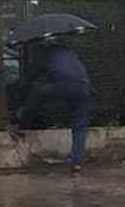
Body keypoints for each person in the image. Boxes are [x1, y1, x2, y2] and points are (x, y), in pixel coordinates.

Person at [15, 41, 93, 173]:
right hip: (84, 87)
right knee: (79, 126)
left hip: (62, 86)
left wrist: (20, 87)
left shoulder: (43, 54)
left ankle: (22, 123)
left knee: (37, 92)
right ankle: (77, 162)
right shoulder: (68, 50)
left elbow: (30, 77)